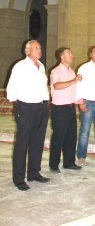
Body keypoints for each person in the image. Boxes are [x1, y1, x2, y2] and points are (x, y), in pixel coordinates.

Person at [6, 40, 50, 191]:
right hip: (26, 107)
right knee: (22, 143)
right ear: (28, 51)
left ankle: (33, 172)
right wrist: (16, 104)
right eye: (36, 48)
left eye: (40, 47)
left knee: (37, 141)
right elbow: (12, 86)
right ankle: (19, 178)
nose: (40, 49)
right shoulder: (20, 66)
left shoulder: (41, 66)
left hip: (42, 107)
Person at [49, 47, 82, 173]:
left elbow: (74, 89)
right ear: (62, 57)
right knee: (59, 137)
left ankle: (69, 162)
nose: (72, 55)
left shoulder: (72, 72)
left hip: (70, 108)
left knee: (71, 137)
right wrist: (74, 80)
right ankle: (54, 165)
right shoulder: (55, 71)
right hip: (59, 109)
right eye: (69, 53)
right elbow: (57, 86)